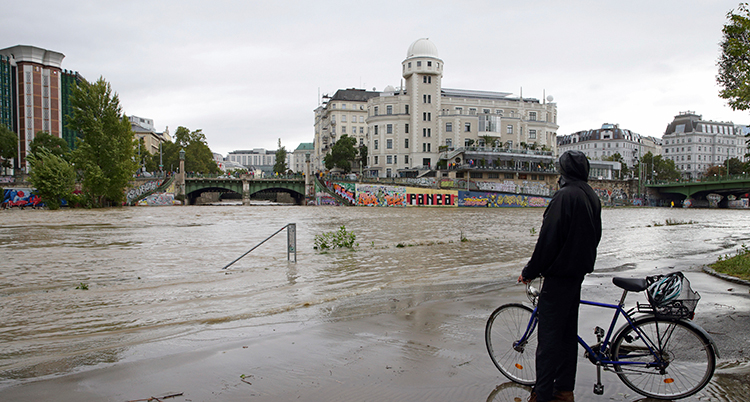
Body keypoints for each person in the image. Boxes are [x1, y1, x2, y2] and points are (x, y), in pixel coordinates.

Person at [518, 150, 602, 402]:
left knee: (549, 341)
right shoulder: (591, 196)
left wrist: (529, 271)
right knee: (567, 337)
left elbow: (548, 241)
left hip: (558, 276)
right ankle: (564, 391)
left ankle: (541, 395)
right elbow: (595, 236)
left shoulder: (564, 196)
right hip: (576, 275)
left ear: (563, 171)